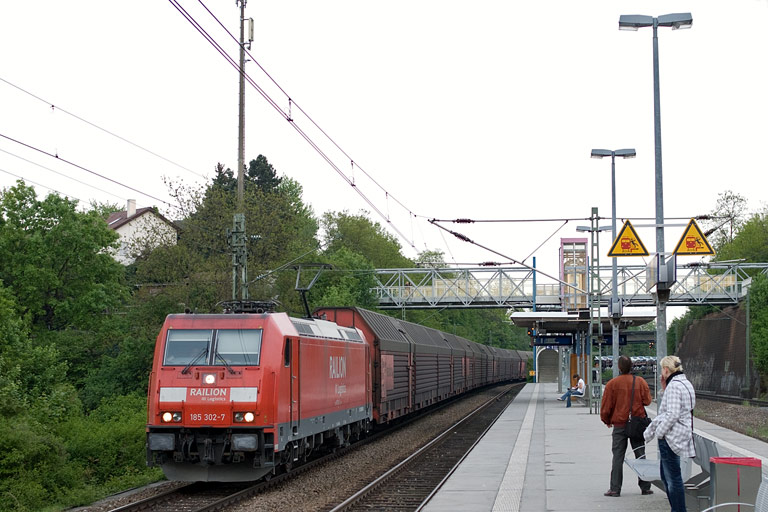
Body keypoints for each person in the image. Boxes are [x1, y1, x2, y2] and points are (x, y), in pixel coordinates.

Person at [644, 355, 695, 512]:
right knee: (669, 477)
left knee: (672, 479)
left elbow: (672, 414)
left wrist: (659, 432)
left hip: (671, 437)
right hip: (681, 434)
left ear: (666, 370)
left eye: (662, 369)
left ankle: (678, 510)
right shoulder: (685, 383)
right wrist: (664, 387)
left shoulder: (674, 387)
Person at [600, 355, 653, 498]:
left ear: (619, 367)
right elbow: (647, 401)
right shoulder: (640, 382)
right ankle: (645, 486)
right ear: (632, 367)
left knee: (618, 456)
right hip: (637, 424)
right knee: (640, 454)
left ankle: (615, 489)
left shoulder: (612, 384)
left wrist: (607, 421)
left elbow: (606, 408)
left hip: (619, 425)